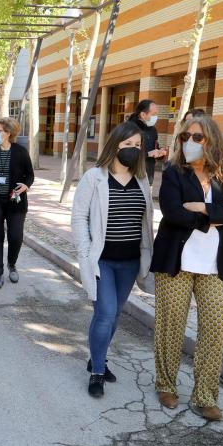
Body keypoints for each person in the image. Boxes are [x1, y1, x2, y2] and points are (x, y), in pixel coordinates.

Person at [151, 115, 223, 421]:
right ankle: (166, 384)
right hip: (175, 262)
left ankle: (205, 395)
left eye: (197, 138)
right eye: (185, 137)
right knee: (170, 326)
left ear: (211, 141)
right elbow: (172, 212)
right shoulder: (173, 173)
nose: (189, 142)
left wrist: (201, 208)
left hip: (216, 265)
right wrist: (218, 216)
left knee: (215, 330)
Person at [71, 121, 154, 397]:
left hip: (130, 262)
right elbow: (79, 216)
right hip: (102, 260)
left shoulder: (142, 180)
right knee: (105, 313)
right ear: (115, 144)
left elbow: (145, 222)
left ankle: (98, 358)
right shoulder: (94, 177)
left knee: (115, 313)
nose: (133, 150)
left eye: (137, 146)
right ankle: (97, 372)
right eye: (128, 144)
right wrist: (84, 252)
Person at [0, 116, 34, 290]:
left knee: (16, 237)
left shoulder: (20, 151)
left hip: (15, 201)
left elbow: (30, 174)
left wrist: (26, 185)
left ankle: (11, 264)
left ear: (8, 133)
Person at [128, 99, 166, 186]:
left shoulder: (153, 129)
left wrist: (160, 153)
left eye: (157, 114)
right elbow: (128, 153)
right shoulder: (130, 128)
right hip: (132, 176)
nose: (156, 117)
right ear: (143, 114)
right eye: (153, 114)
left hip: (148, 176)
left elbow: (154, 148)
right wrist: (148, 154)